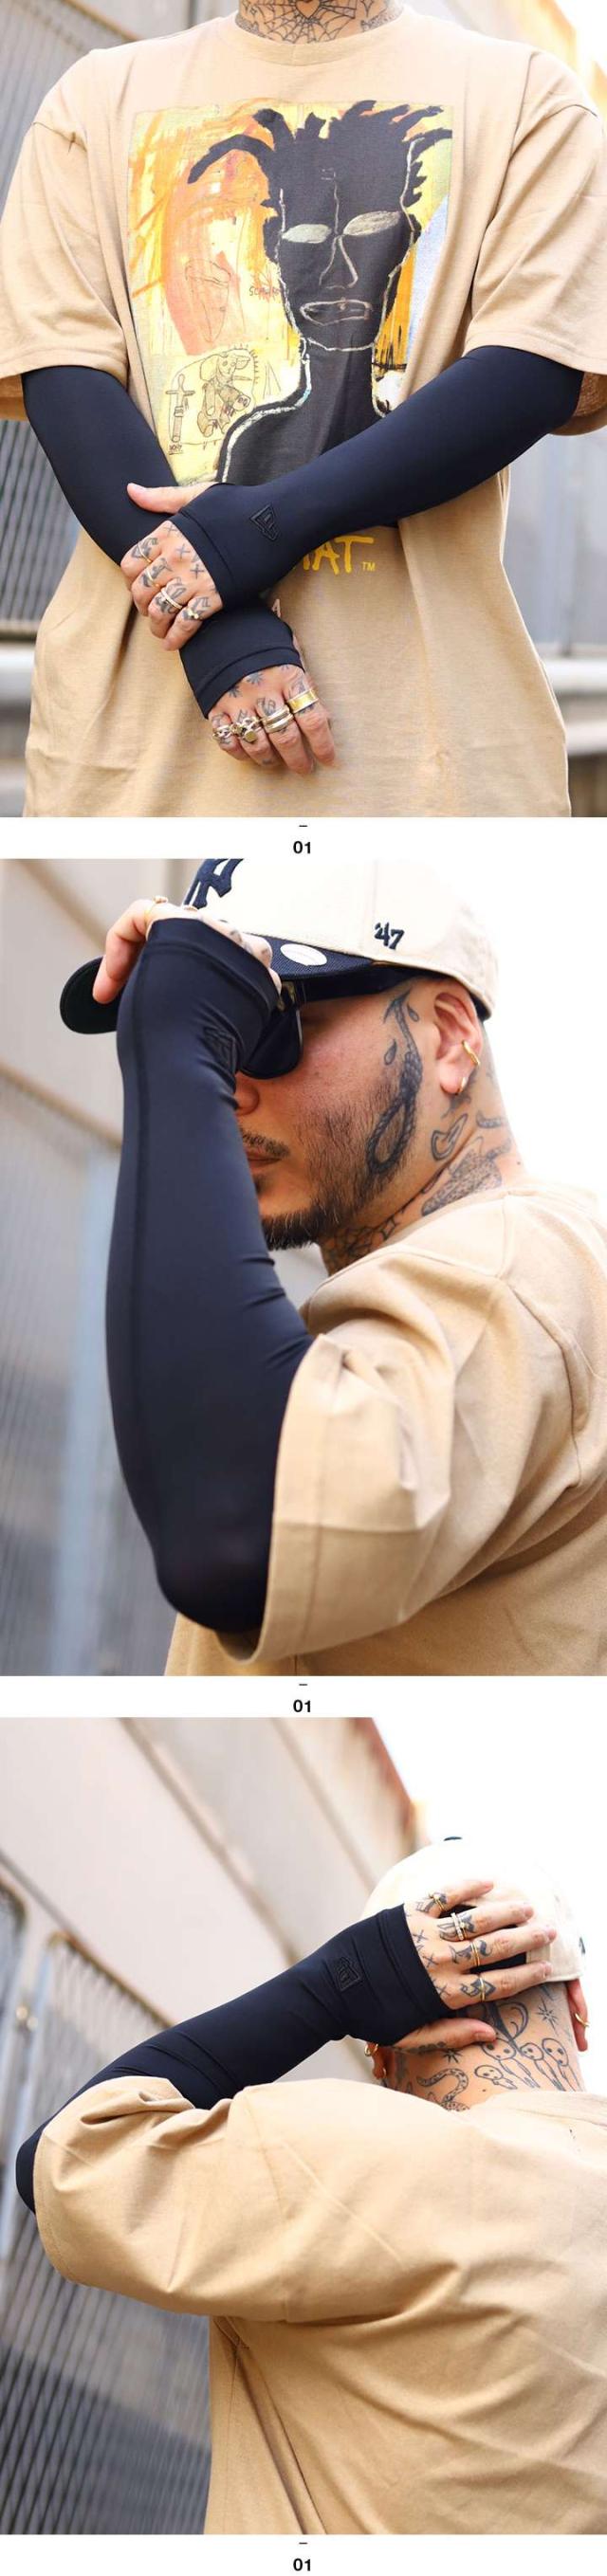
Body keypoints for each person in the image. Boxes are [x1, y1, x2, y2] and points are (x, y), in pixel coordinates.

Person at [1, 2, 606, 817]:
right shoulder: (92, 100)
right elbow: (64, 375)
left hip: (434, 762)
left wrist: (261, 529)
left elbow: (530, 371)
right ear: (271, 253)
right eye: (307, 241)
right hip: (130, 760)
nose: (340, 271)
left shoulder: (530, 96)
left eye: (373, 229)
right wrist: (226, 641)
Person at [60, 852, 607, 1679]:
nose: (228, 1083)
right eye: (220, 1034)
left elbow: (234, 1529)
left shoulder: (518, 1261)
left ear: (449, 1037)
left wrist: (178, 1040)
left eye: (272, 1028)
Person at [15, 1840, 604, 2534]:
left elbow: (67, 2158)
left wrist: (332, 1986)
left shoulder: (345, 2156)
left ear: (379, 2050)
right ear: (578, 2006)